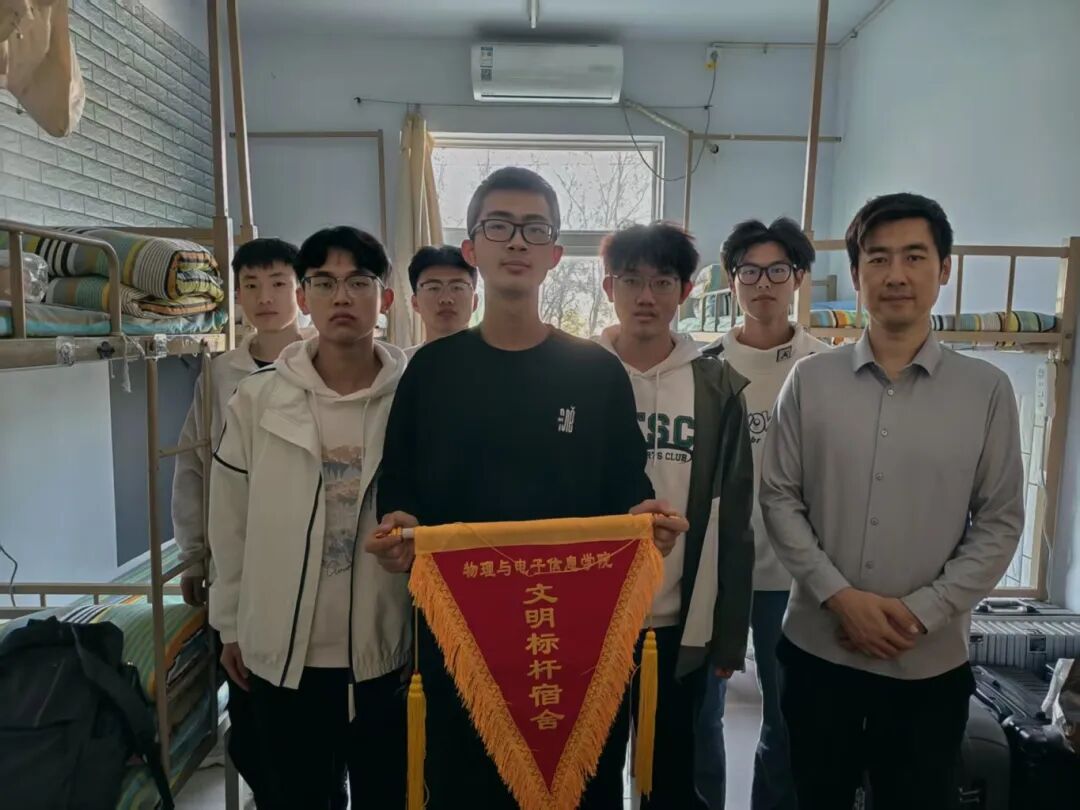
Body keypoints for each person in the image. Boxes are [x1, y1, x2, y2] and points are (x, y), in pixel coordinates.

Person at [366, 166, 689, 809]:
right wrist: (399, 532)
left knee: (578, 785)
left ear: (555, 255)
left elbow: (627, 487)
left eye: (534, 229)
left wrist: (648, 525)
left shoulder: (595, 372)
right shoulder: (431, 372)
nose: (517, 241)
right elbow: (399, 485)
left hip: (576, 636)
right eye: (499, 226)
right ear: (472, 248)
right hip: (464, 631)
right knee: (464, 786)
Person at [760, 193, 1024, 810]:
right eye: (878, 259)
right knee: (814, 797)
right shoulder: (811, 381)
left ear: (944, 269)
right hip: (818, 653)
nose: (896, 275)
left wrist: (922, 612)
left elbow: (1000, 521)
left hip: (927, 664)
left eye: (914, 256)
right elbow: (778, 497)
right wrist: (839, 597)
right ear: (856, 275)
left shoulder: (986, 391)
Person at [209, 226, 411, 810]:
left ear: (385, 298)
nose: (341, 296)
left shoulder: (414, 398)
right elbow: (230, 520)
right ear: (304, 296)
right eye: (324, 282)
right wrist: (230, 625)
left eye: (358, 282)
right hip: (282, 653)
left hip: (385, 651)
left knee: (389, 796)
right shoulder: (258, 399)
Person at [595, 221, 755, 810]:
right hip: (593, 618)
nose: (646, 296)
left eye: (662, 282)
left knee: (670, 773)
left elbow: (735, 516)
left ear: (685, 291)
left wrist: (729, 636)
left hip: (676, 620)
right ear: (609, 287)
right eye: (631, 280)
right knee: (591, 771)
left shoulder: (716, 385)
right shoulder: (576, 375)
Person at [697, 218, 831, 810]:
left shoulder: (826, 368)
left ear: (797, 278)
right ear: (732, 280)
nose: (763, 284)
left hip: (794, 574)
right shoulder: (704, 366)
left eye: (778, 270)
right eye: (749, 271)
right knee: (701, 715)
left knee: (787, 717)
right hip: (713, 571)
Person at [171, 237, 303, 807]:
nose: (265, 297)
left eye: (277, 283)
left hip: (308, 557)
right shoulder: (222, 372)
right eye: (251, 285)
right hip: (240, 558)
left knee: (313, 718)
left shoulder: (324, 361)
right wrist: (193, 554)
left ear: (299, 289)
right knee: (251, 715)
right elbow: (194, 465)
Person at [405, 244, 478, 358]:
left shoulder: (499, 363)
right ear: (415, 303)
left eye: (457, 287)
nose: (446, 299)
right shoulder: (400, 365)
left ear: (475, 301)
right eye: (433, 288)